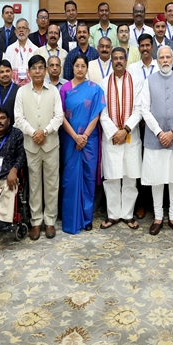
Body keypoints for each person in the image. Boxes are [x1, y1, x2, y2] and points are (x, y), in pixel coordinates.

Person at [141, 46, 173, 236]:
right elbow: (144, 109)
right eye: (161, 57)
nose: (164, 60)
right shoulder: (149, 81)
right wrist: (159, 133)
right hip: (155, 139)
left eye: (168, 57)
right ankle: (157, 217)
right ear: (157, 59)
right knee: (157, 178)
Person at [14, 55, 64, 240]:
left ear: (45, 70)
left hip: (50, 144)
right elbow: (18, 118)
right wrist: (34, 132)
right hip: (31, 145)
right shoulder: (21, 92)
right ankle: (36, 222)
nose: (37, 71)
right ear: (28, 71)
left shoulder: (53, 91)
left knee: (52, 184)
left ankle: (50, 221)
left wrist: (45, 131)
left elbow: (58, 116)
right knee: (34, 185)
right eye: (34, 68)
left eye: (40, 68)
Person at [60, 54, 107, 234]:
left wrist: (84, 136)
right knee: (69, 179)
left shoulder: (95, 90)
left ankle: (87, 219)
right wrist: (75, 137)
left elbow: (96, 114)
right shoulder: (64, 89)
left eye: (83, 66)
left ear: (87, 68)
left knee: (88, 179)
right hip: (70, 140)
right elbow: (61, 116)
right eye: (77, 66)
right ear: (72, 68)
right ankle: (71, 218)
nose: (80, 69)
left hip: (89, 141)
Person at [99, 47, 142, 230]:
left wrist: (125, 130)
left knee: (130, 177)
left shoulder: (137, 82)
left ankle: (128, 214)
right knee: (112, 178)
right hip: (112, 139)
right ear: (111, 60)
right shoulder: (103, 83)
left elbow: (139, 109)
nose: (118, 61)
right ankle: (113, 214)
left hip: (131, 136)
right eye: (115, 58)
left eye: (121, 58)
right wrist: (114, 133)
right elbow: (102, 112)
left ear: (126, 61)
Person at [5, 19, 36, 86]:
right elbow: (6, 68)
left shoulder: (35, 49)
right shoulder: (10, 49)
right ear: (15, 32)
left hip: (31, 86)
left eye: (24, 28)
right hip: (13, 86)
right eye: (19, 28)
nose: (21, 30)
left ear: (29, 31)